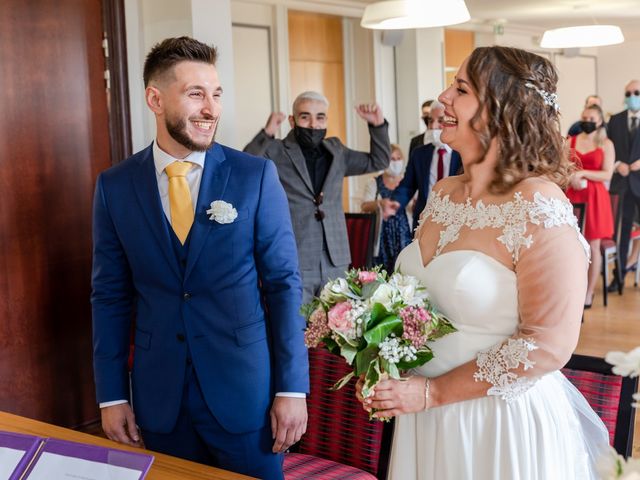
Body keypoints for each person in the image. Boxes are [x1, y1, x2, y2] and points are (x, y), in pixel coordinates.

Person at [356, 46, 609, 479]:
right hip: (424, 419)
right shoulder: (443, 195)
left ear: (500, 110)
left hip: (495, 423)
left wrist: (434, 392)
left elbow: (547, 343)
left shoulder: (537, 203)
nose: (442, 98)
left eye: (461, 89)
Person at [91, 37, 308, 480]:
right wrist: (112, 396)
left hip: (246, 397)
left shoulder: (254, 176)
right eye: (195, 94)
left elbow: (284, 284)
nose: (211, 108)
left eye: (216, 94)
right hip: (159, 400)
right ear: (155, 98)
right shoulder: (115, 186)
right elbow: (109, 296)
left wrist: (292, 388)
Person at [244, 92, 391, 303]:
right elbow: (248, 164)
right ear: (293, 121)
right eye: (305, 117)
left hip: (335, 257)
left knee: (337, 325)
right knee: (299, 324)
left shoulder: (337, 150)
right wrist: (267, 133)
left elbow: (378, 161)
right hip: (296, 254)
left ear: (326, 120)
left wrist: (377, 126)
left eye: (320, 117)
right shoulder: (277, 150)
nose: (313, 124)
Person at [382, 100, 462, 232]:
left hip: (455, 222)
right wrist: (396, 202)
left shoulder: (462, 153)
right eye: (430, 121)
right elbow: (408, 185)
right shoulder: (419, 153)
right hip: (424, 221)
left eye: (440, 120)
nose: (433, 126)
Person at [565, 104, 615, 308]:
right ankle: (571, 290)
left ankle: (589, 292)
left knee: (593, 245)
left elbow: (607, 174)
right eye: (584, 117)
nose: (587, 121)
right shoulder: (571, 140)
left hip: (595, 197)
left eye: (592, 118)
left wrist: (583, 173)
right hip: (574, 193)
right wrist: (571, 176)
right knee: (571, 244)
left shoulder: (606, 143)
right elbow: (562, 166)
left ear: (600, 121)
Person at [607, 80, 640, 292]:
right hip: (622, 185)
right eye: (628, 93)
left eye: (636, 92)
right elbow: (608, 149)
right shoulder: (615, 120)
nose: (632, 96)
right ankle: (618, 276)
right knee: (621, 231)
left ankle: (633, 261)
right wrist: (618, 165)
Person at [360, 144, 412, 273]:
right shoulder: (374, 182)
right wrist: (380, 203)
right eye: (391, 159)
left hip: (404, 233)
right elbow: (365, 206)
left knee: (404, 269)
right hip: (382, 235)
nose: (395, 162)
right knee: (382, 271)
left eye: (398, 158)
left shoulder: (408, 182)